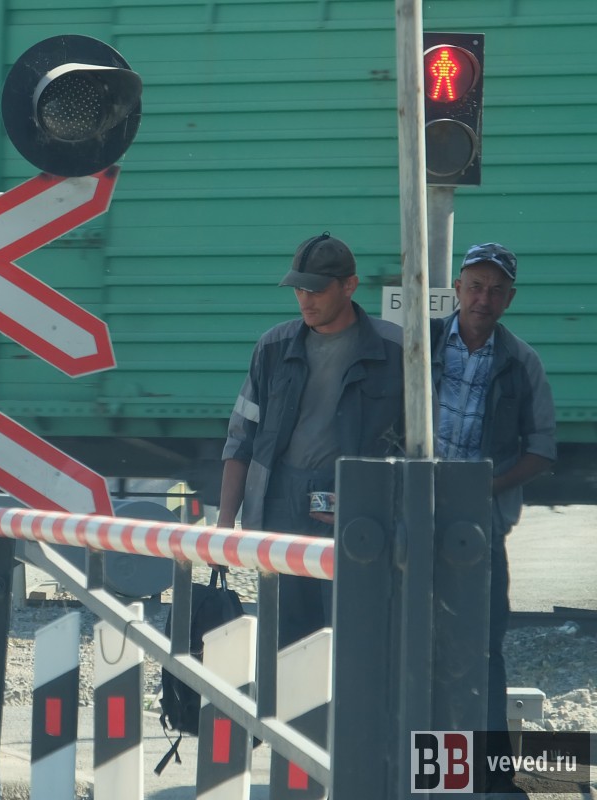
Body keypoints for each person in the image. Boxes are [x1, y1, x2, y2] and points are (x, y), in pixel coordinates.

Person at [216, 232, 404, 647]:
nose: (305, 299)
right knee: (285, 640)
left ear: (349, 286)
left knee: (353, 639)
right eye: (299, 289)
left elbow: (420, 451)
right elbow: (241, 437)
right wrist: (224, 523)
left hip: (357, 511)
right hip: (281, 506)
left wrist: (373, 504)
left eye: (316, 289)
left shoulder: (395, 352)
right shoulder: (273, 347)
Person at [430, 242, 556, 797]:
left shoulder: (522, 362)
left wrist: (486, 487)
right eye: (476, 286)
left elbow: (541, 451)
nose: (484, 298)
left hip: (478, 531)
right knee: (410, 645)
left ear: (510, 299)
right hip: (409, 520)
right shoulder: (419, 346)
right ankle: (416, 770)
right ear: (457, 289)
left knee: (481, 651)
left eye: (496, 290)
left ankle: (492, 781)